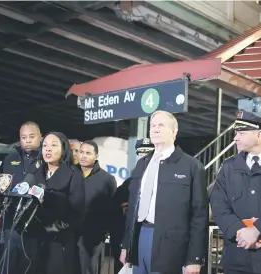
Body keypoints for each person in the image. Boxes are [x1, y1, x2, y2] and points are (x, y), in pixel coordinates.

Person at [120, 110, 208, 274]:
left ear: (174, 131)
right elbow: (133, 208)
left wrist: (194, 258)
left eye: (161, 125)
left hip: (171, 245)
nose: (155, 129)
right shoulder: (142, 165)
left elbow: (199, 216)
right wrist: (126, 245)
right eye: (152, 126)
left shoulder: (192, 166)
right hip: (139, 237)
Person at [210, 110, 261, 274]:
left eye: (241, 133)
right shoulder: (228, 167)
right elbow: (219, 206)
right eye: (235, 133)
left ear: (259, 135)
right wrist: (241, 232)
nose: (235, 138)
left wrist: (258, 230)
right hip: (236, 259)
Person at [20, 132, 85, 274]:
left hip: (59, 240)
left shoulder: (74, 174)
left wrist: (55, 226)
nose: (48, 149)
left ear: (63, 149)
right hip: (35, 238)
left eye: (53, 145)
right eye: (45, 146)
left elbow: (77, 212)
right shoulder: (36, 172)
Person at [0, 121, 42, 272]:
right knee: (8, 265)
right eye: (23, 137)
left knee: (30, 266)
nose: (27, 140)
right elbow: (0, 183)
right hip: (10, 222)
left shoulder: (46, 158)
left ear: (40, 137)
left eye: (31, 136)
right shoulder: (10, 157)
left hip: (35, 224)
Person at [111, 138, 154, 274]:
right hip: (128, 248)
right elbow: (116, 220)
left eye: (148, 153)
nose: (144, 157)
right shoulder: (125, 188)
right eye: (141, 154)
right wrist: (119, 246)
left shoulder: (162, 184)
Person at [77, 140, 117, 274]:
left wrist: (104, 232)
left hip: (93, 237)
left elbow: (112, 210)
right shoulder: (70, 174)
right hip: (70, 234)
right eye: (81, 152)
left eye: (88, 153)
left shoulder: (107, 179)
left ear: (96, 156)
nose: (83, 156)